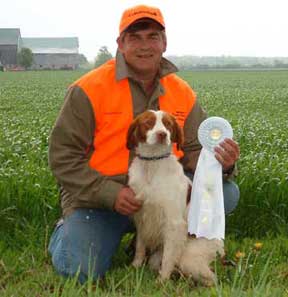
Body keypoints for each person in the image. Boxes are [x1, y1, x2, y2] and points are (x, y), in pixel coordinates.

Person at [48, 4, 240, 283]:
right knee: (77, 269)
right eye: (134, 37)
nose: (144, 45)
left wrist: (224, 163)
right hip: (101, 196)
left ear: (164, 43)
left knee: (225, 191)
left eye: (152, 36)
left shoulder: (181, 91)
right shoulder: (89, 89)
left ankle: (157, 239)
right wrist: (109, 193)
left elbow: (197, 151)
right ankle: (69, 231)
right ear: (120, 43)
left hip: (159, 190)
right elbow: (62, 157)